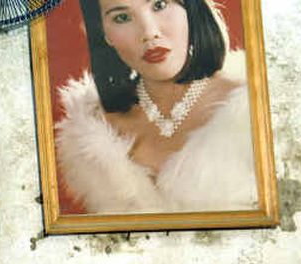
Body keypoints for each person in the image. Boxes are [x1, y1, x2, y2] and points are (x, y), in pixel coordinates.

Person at [55, 0, 257, 214]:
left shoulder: (253, 106)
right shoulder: (91, 135)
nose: (149, 32)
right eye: (121, 18)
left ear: (190, 7)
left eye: (159, 5)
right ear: (103, 33)